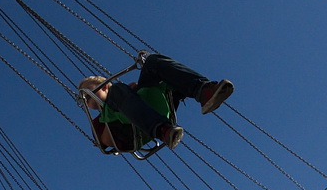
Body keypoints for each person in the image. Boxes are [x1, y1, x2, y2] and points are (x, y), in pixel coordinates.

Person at [79, 53, 234, 152]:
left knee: (152, 62)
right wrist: (124, 97)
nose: (87, 98)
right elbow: (106, 141)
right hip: (135, 130)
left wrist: (132, 93)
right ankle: (162, 130)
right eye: (85, 98)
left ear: (105, 86)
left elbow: (123, 94)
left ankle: (203, 91)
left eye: (89, 92)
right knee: (119, 91)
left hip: (152, 105)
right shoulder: (101, 120)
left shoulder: (120, 92)